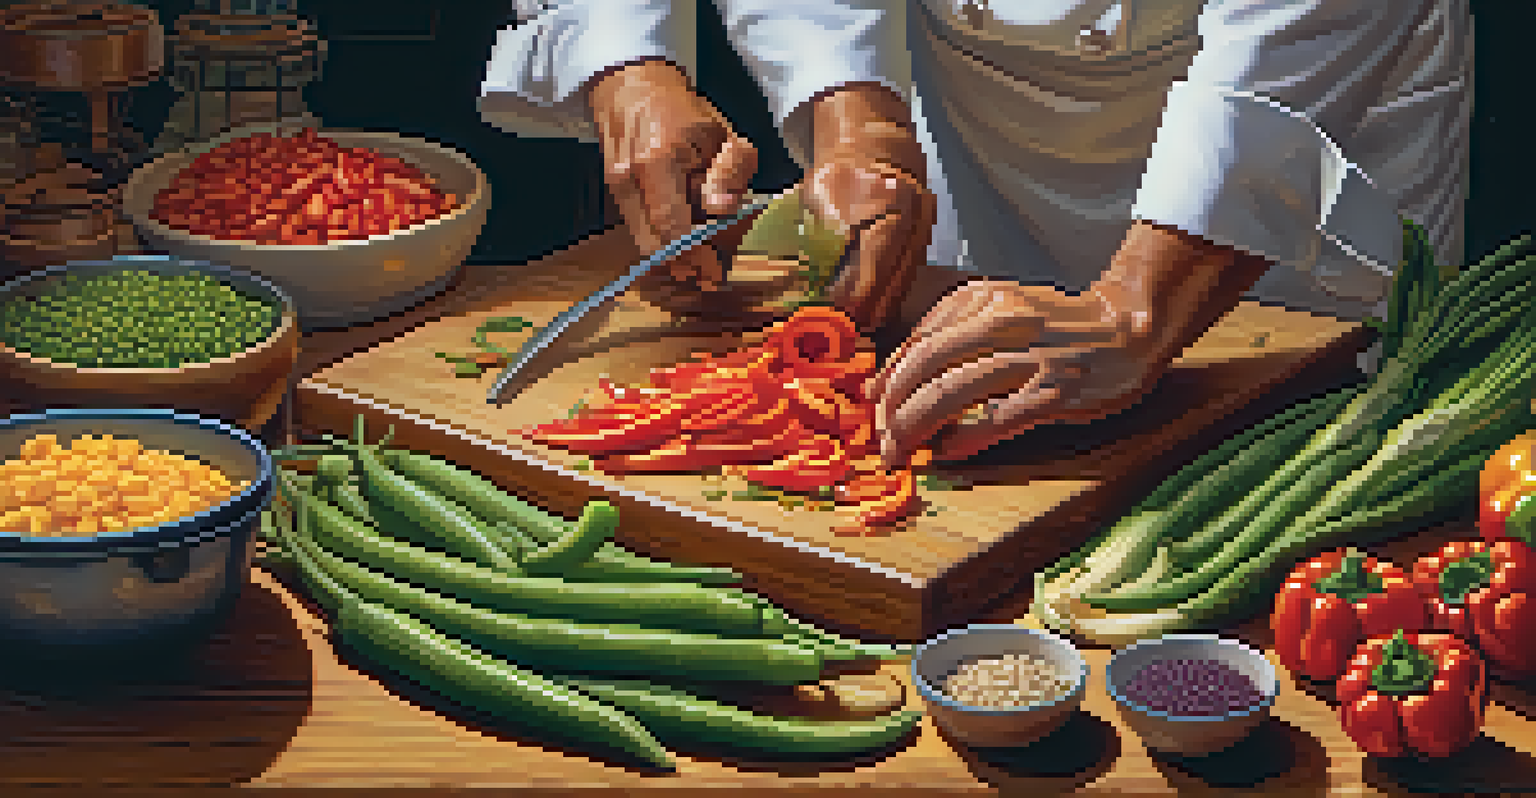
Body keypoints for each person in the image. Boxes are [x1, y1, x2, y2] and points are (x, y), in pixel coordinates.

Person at [479, 0, 1472, 469]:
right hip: (977, 115)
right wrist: (854, 115)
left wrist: (1140, 302)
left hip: (1307, 133)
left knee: (1297, 488)